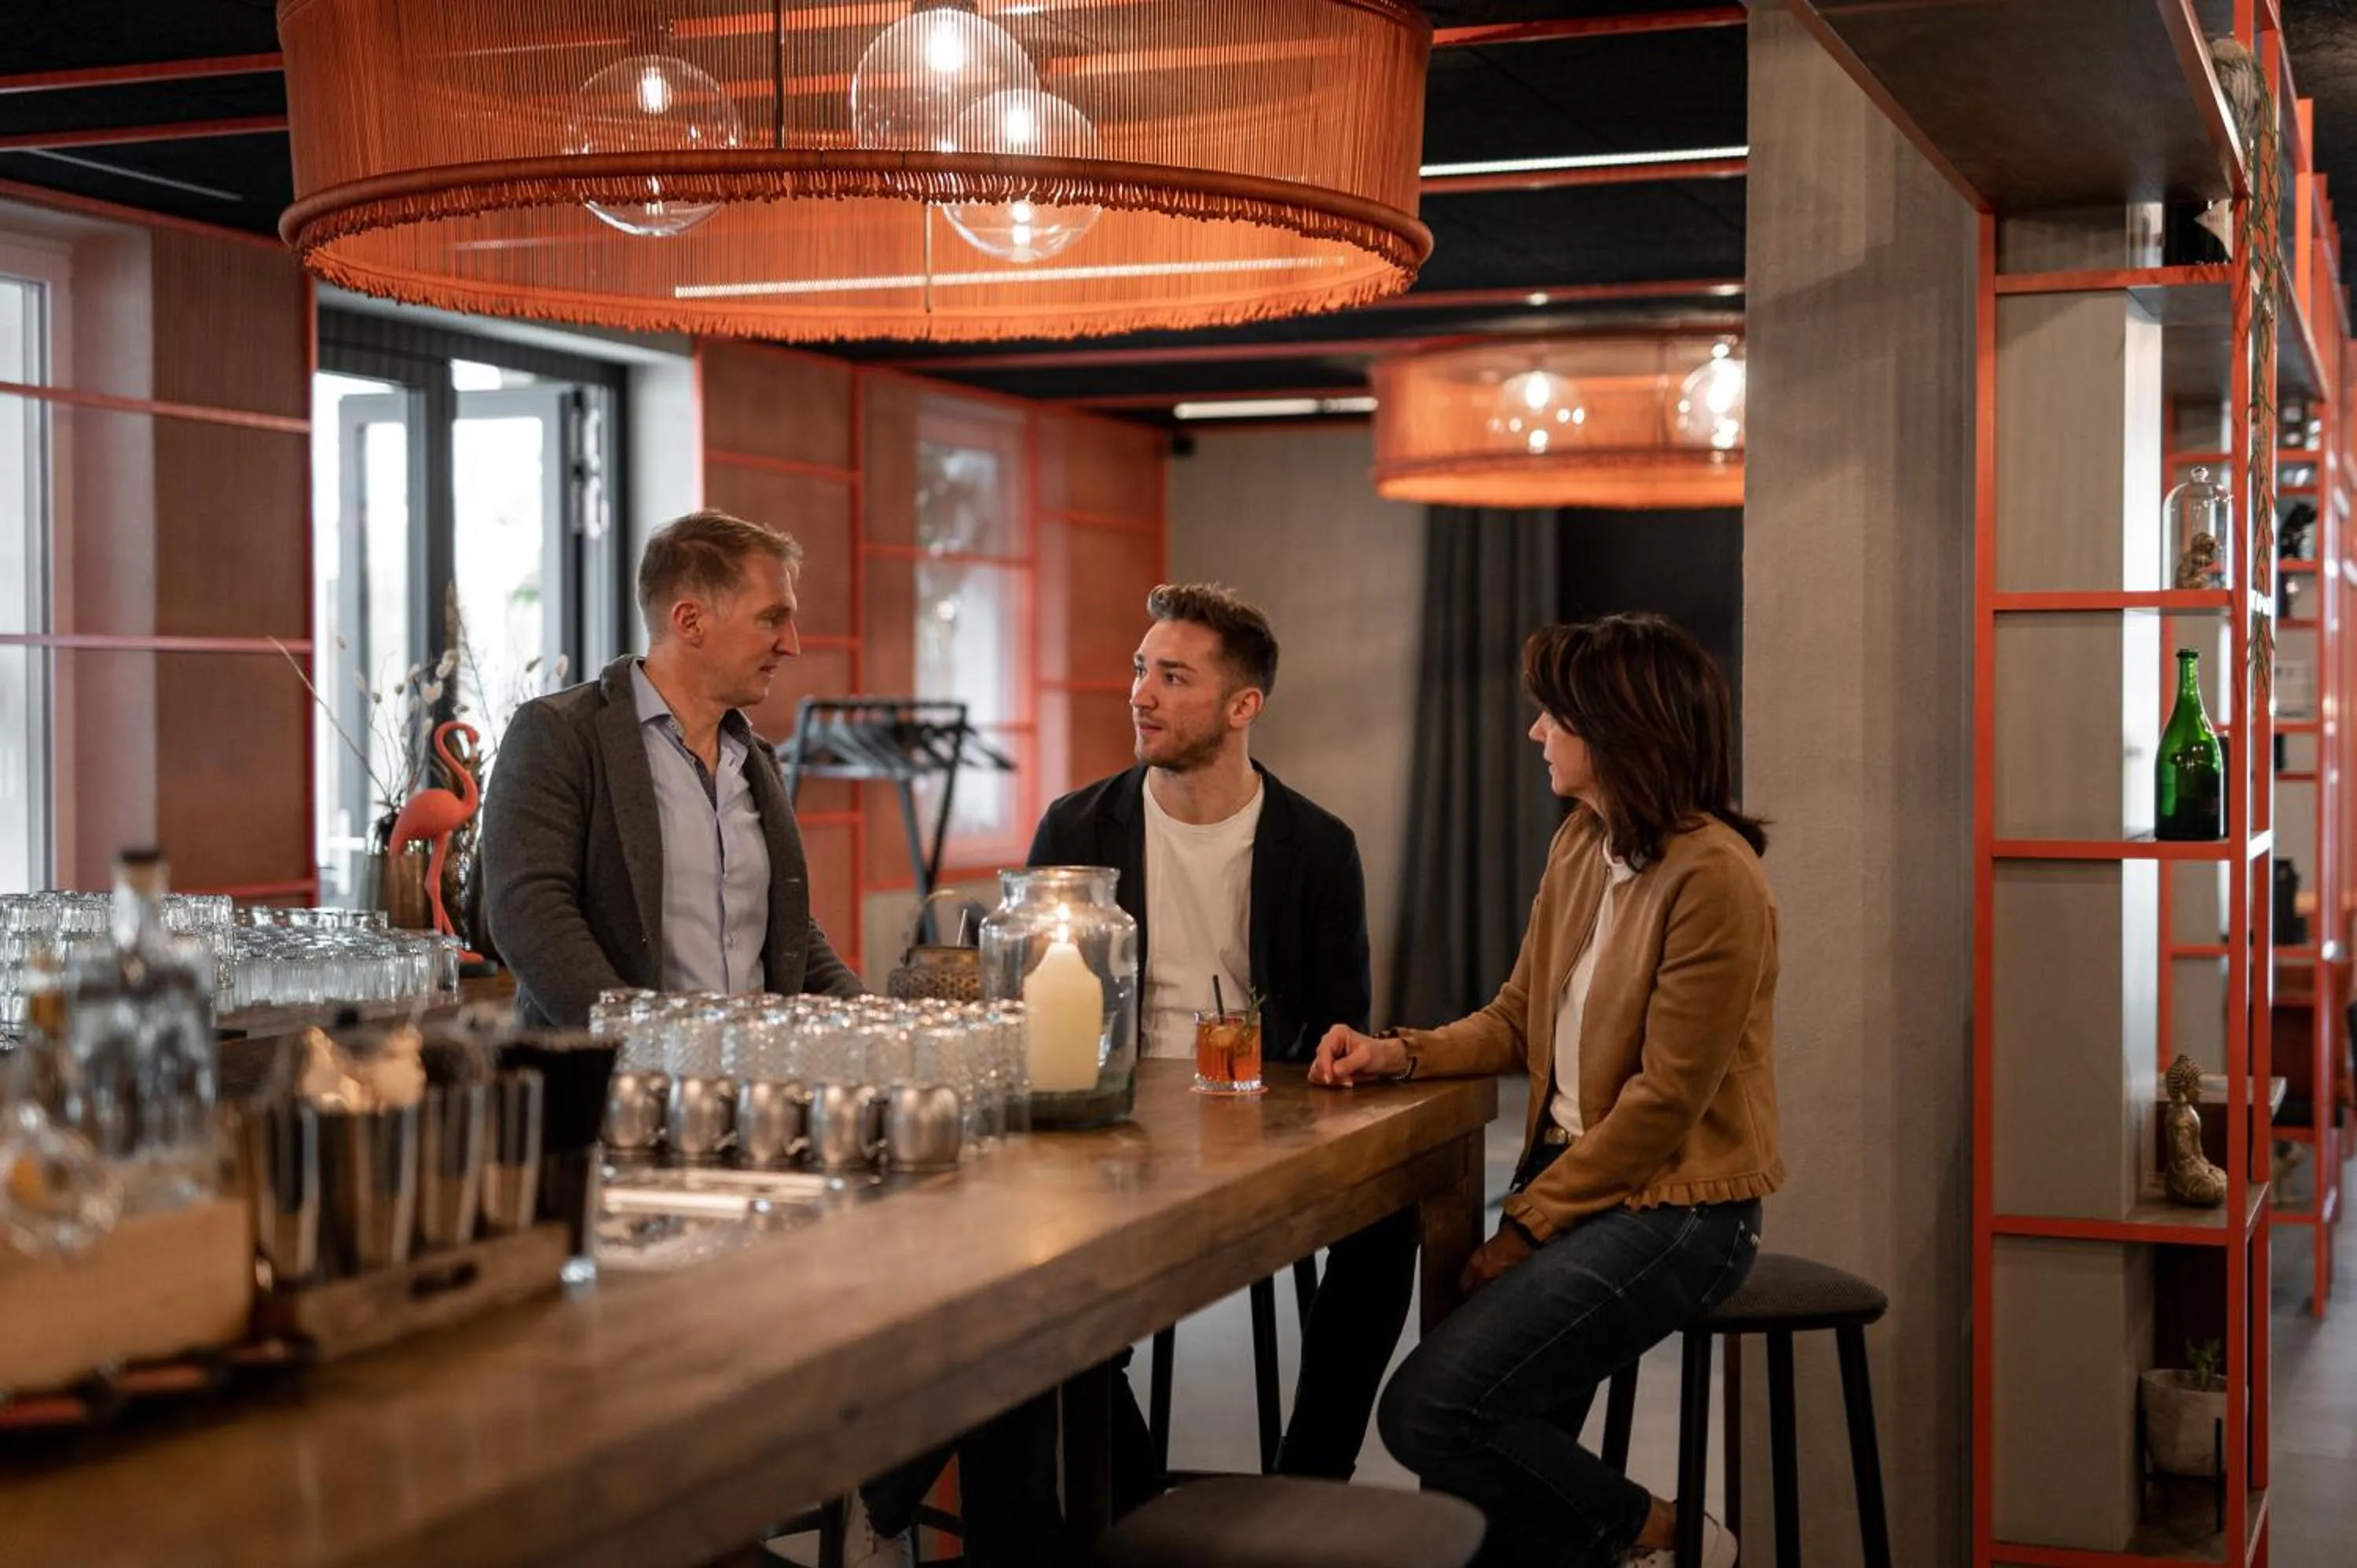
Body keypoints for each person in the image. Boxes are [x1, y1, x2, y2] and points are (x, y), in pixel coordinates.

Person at [1314, 614, 1780, 1568]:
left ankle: (1676, 1537)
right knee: (1479, 1462)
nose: (1537, 733)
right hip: (1578, 1183)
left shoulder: (1717, 878)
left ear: (1617, 729)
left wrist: (1524, 1226)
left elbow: (1662, 1107)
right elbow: (1518, 1018)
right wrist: (1395, 1053)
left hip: (1682, 1209)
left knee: (1429, 1411)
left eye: (1554, 715)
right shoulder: (1582, 843)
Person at [1028, 582, 1418, 1497]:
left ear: (1243, 706)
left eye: (1172, 676)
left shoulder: (1318, 846)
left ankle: (1307, 1481)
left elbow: (1337, 1025)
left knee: (1390, 1215)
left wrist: (1321, 1064)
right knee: (1033, 1280)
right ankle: (1133, 1502)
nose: (1141, 694)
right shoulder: (1078, 827)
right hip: (1108, 1119)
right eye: (1139, 670)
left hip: (1260, 1115)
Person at [482, 507, 863, 1024]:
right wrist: (635, 1050)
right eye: (772, 618)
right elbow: (531, 917)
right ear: (690, 621)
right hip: (613, 1090)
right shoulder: (558, 734)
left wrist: (867, 1021)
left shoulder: (757, 760)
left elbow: (787, 931)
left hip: (751, 1090)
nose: (791, 644)